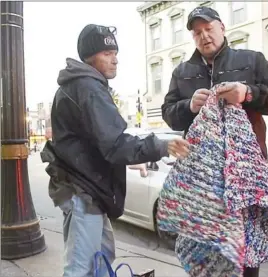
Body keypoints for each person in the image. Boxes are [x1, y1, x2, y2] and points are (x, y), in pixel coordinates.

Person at [40, 24, 189, 277]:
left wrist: (132, 159)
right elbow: (115, 144)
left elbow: (98, 141)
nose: (115, 59)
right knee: (82, 269)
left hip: (88, 191)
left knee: (102, 258)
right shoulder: (88, 88)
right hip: (83, 191)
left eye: (115, 52)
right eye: (107, 53)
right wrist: (162, 146)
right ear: (90, 56)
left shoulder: (82, 85)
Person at [161, 6, 268, 277]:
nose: (204, 36)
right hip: (202, 186)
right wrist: (189, 106)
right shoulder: (182, 72)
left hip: (246, 180)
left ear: (222, 27)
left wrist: (248, 93)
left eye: (208, 29)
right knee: (206, 255)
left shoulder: (251, 60)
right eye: (197, 33)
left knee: (245, 256)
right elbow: (170, 115)